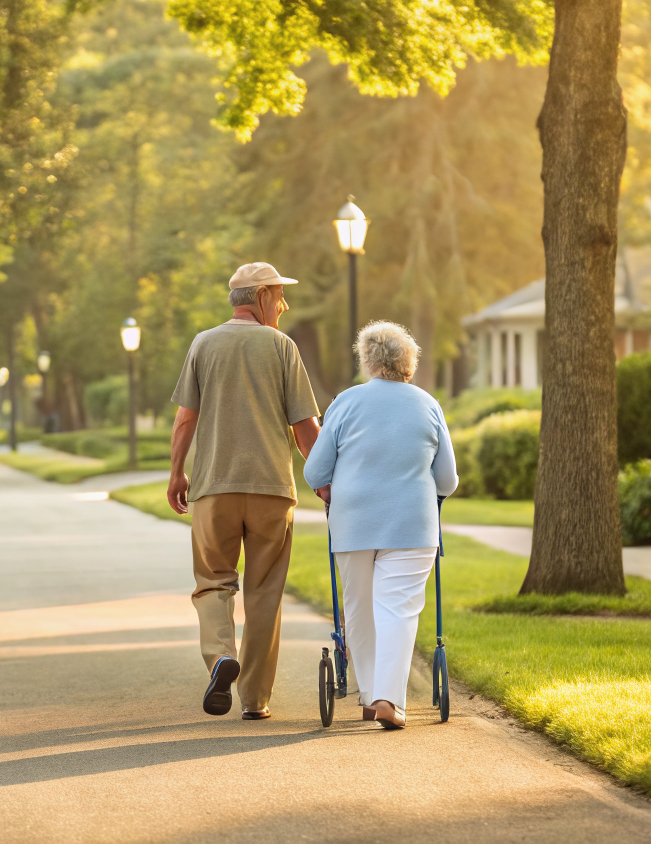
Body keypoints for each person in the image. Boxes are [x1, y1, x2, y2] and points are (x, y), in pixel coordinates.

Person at [168, 262, 322, 720]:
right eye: (278, 294)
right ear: (259, 298)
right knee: (264, 592)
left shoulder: (203, 344)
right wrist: (326, 482)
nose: (284, 304)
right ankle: (255, 700)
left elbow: (185, 419)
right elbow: (305, 428)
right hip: (272, 489)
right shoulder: (281, 347)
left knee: (213, 580)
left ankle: (220, 658)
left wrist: (177, 472)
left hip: (214, 487)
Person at [303, 321, 457, 729]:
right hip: (412, 524)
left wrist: (336, 488)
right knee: (398, 609)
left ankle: (371, 695)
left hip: (353, 522)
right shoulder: (428, 404)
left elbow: (315, 469)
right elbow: (448, 480)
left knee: (358, 609)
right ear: (408, 361)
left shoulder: (346, 402)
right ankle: (391, 698)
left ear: (367, 360)